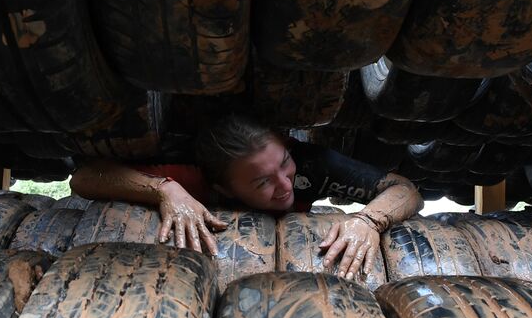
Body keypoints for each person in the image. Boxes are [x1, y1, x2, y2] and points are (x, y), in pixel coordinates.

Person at [70, 114, 423, 279]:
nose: (285, 185)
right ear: (224, 189)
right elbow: (84, 178)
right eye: (262, 183)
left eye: (284, 164)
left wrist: (368, 220)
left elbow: (405, 190)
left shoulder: (312, 164)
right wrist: (165, 189)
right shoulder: (196, 176)